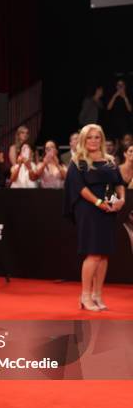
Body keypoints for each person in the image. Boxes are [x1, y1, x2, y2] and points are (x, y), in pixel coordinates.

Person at [64, 124, 125, 311]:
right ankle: (85, 296)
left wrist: (121, 199)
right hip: (89, 210)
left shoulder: (110, 161)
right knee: (93, 253)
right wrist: (98, 202)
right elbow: (79, 187)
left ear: (102, 139)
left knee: (104, 254)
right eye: (89, 137)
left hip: (108, 209)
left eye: (97, 137)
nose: (93, 141)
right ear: (83, 139)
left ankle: (97, 295)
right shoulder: (78, 161)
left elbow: (118, 182)